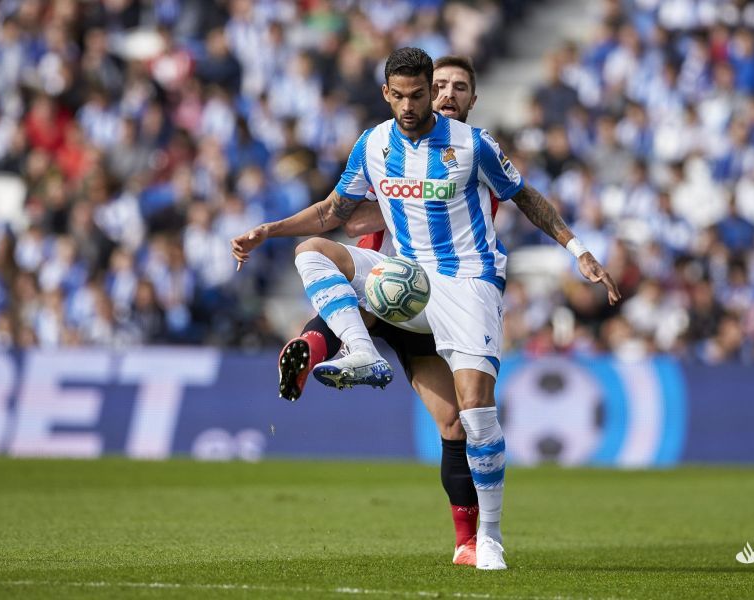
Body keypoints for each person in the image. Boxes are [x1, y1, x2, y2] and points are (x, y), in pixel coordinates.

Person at [231, 48, 620, 570]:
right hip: (407, 281)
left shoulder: (473, 145)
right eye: (403, 96)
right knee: (311, 254)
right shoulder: (373, 144)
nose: (413, 105)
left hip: (468, 283)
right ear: (386, 93)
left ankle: (490, 538)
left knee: (475, 416)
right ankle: (359, 353)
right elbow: (333, 211)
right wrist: (269, 231)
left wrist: (579, 252)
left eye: (421, 94)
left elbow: (526, 197)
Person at [277, 55, 490, 568]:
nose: (446, 95)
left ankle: (467, 541)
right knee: (361, 295)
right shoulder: (386, 146)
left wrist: (392, 205)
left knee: (455, 425)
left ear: (472, 100)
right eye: (438, 86)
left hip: (437, 300)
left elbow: (370, 215)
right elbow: (347, 220)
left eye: (458, 88)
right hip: (386, 280)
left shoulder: (472, 157)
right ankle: (315, 348)